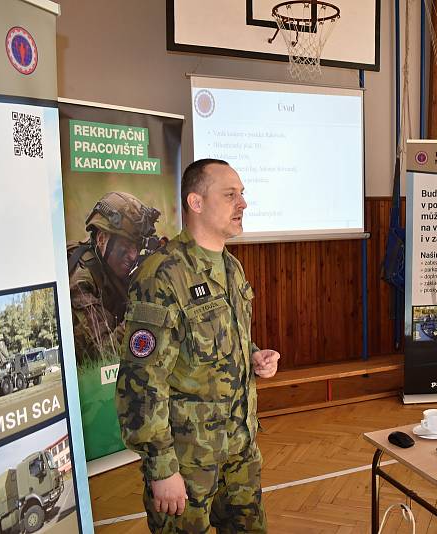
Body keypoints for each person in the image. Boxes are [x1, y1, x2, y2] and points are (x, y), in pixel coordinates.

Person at [115, 158, 280, 533]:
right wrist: (161, 468)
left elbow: (218, 339)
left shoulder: (231, 268)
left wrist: (254, 354)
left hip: (239, 450)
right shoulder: (162, 274)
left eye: (243, 194)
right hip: (188, 463)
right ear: (196, 202)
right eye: (230, 195)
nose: (243, 204)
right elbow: (142, 380)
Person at [68, 191, 161, 364]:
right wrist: (146, 310)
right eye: (126, 246)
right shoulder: (80, 282)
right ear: (102, 239)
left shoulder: (114, 270)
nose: (133, 256)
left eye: (137, 246)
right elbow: (101, 356)